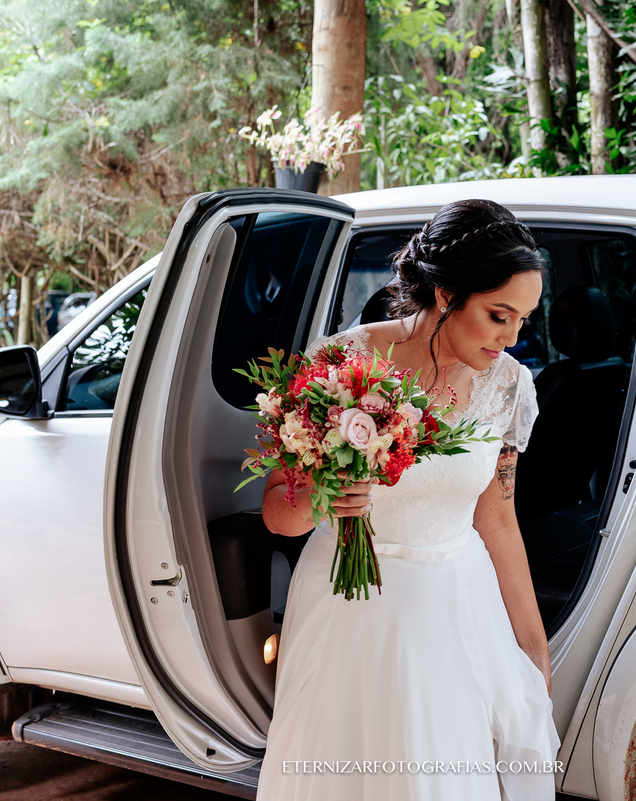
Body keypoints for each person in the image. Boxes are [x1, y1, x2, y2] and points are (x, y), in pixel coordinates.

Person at [255, 199, 560, 800]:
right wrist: (329, 489)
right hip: (350, 602)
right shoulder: (341, 363)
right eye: (499, 315)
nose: (512, 337)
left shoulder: (508, 386)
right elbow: (278, 515)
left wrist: (532, 647)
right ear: (446, 295)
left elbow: (497, 516)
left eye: (523, 319)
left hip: (454, 605)